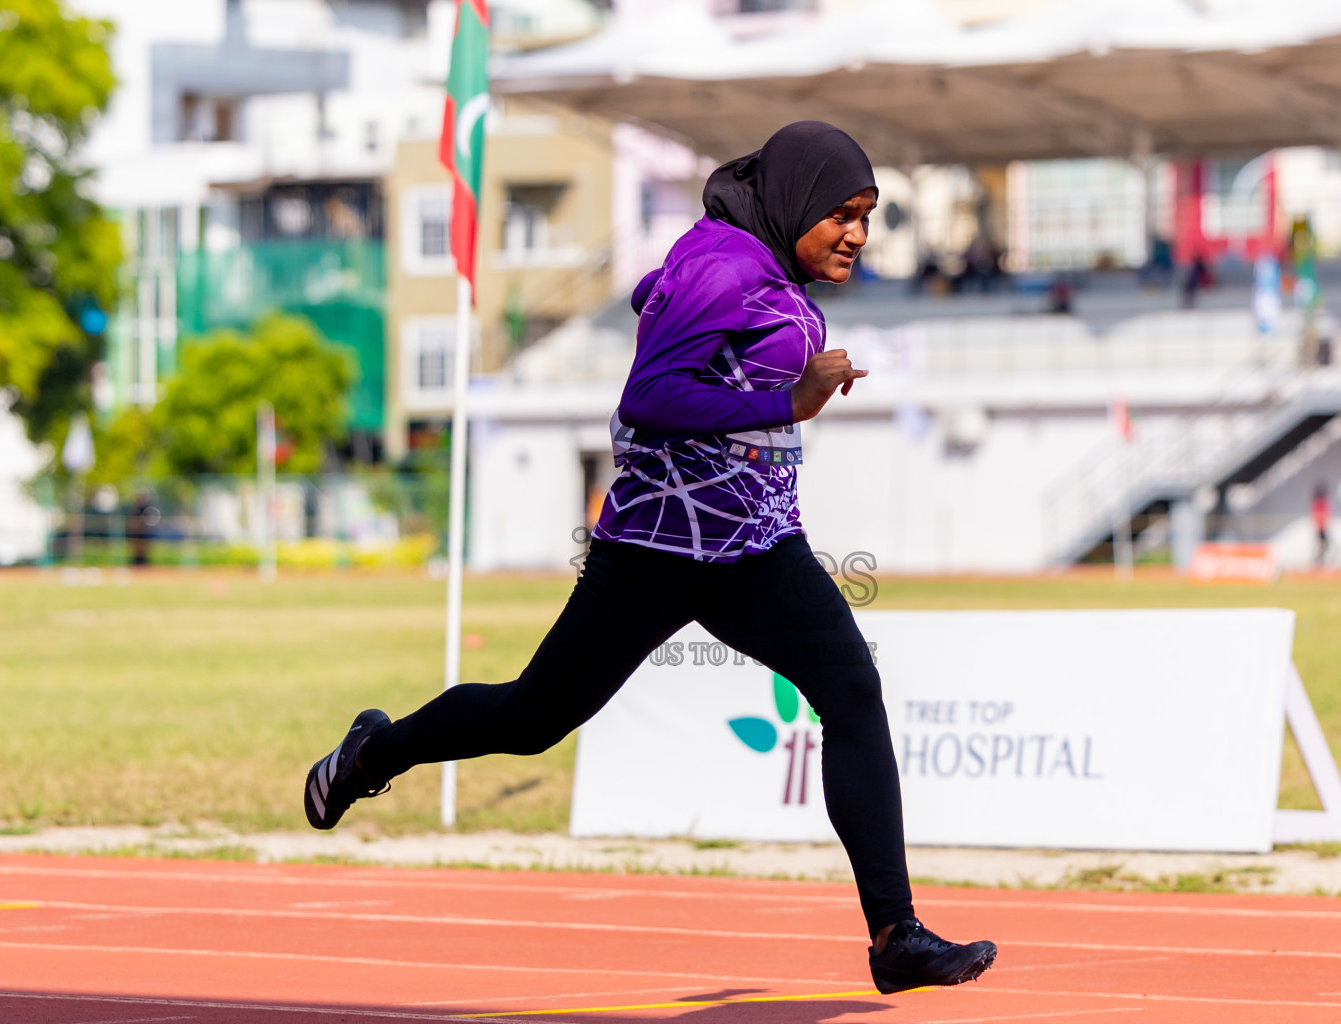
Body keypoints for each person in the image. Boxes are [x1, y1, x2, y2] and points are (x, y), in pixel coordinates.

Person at [302, 121, 998, 995]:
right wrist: (791, 396)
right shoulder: (728, 264)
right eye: (841, 215)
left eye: (866, 215)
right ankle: (372, 757)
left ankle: (896, 936)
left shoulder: (757, 264)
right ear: (792, 204)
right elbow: (647, 397)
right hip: (656, 546)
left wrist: (695, 324)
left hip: (756, 549)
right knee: (530, 719)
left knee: (853, 695)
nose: (857, 233)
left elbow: (685, 323)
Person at [1311, 483, 1331, 568]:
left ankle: (1320, 560)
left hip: (1323, 528)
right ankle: (1318, 560)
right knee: (1322, 545)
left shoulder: (1321, 502)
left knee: (1324, 545)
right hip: (1320, 528)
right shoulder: (1318, 502)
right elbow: (1318, 515)